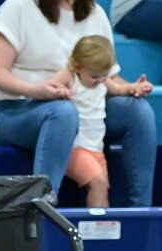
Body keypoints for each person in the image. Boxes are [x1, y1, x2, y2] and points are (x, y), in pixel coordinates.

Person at [0, 0, 155, 207]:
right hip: (13, 108)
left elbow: (107, 77)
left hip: (78, 108)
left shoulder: (95, 13)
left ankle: (140, 212)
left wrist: (132, 88)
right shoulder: (17, 7)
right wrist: (34, 91)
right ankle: (42, 211)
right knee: (63, 113)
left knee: (138, 110)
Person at [49, 36, 119, 207]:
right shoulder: (69, 77)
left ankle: (100, 223)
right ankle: (98, 223)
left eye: (104, 75)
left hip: (96, 149)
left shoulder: (102, 81)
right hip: (75, 148)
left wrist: (136, 88)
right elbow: (49, 88)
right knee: (98, 183)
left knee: (102, 188)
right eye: (94, 76)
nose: (100, 80)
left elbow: (118, 89)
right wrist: (60, 91)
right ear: (77, 66)